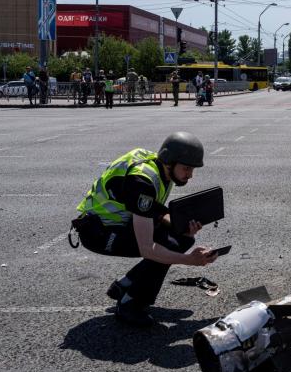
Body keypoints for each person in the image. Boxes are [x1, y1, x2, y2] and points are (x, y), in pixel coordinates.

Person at [70, 132, 218, 326]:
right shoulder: (143, 182)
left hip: (117, 224)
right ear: (169, 161)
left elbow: (152, 211)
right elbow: (147, 249)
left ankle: (125, 285)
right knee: (170, 247)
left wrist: (183, 229)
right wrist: (190, 261)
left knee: (182, 238)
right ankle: (130, 304)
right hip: (98, 233)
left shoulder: (158, 166)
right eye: (187, 168)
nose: (190, 175)